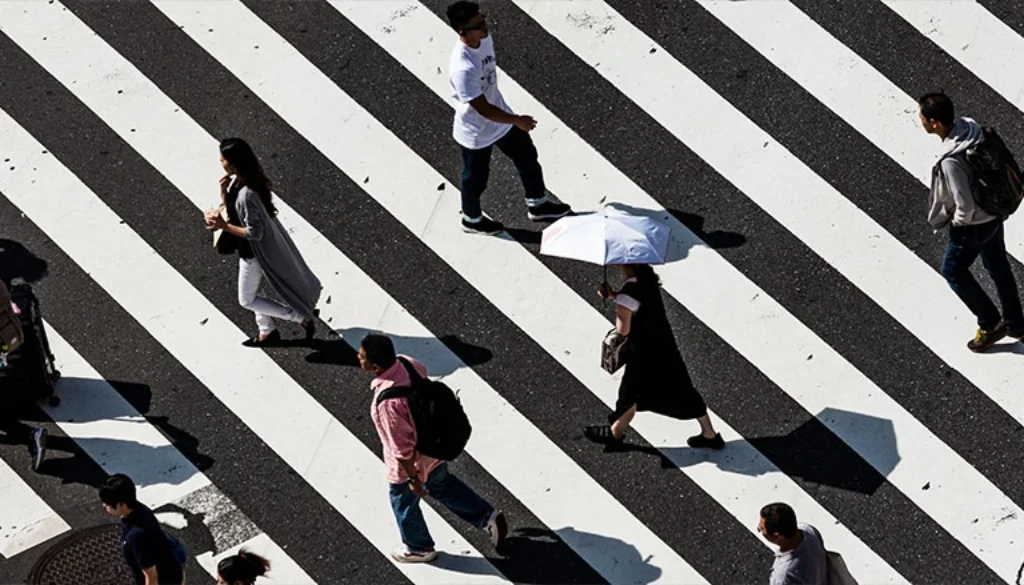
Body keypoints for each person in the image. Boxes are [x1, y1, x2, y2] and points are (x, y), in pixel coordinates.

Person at [358, 333, 507, 563]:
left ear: (375, 366)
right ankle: (486, 517)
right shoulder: (407, 362)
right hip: (433, 444)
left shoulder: (389, 403)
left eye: (363, 355)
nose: (359, 357)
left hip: (412, 462)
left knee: (402, 501)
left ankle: (419, 547)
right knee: (442, 485)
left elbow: (402, 449)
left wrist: (412, 480)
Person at [445, 1, 572, 235]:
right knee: (475, 179)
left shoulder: (484, 40)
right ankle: (471, 219)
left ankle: (538, 204)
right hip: (477, 131)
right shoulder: (462, 68)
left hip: (500, 117)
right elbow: (482, 109)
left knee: (526, 155)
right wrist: (516, 120)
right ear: (462, 31)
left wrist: (511, 119)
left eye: (483, 20)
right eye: (478, 25)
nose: (485, 27)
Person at [919, 92, 1024, 351]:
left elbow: (963, 204)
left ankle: (990, 323)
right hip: (995, 212)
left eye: (922, 116)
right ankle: (1016, 323)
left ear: (934, 123)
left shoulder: (951, 161)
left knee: (952, 270)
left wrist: (957, 224)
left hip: (975, 225)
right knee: (998, 267)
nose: (919, 120)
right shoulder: (971, 130)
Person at [584, 264, 724, 449]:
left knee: (630, 394)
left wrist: (619, 306)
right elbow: (636, 302)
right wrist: (615, 296)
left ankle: (615, 434)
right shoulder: (647, 280)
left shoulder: (629, 293)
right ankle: (709, 433)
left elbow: (623, 330)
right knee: (683, 389)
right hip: (663, 345)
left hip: (643, 354)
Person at [204, 138, 322, 347]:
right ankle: (266, 331)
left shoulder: (246, 193)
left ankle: (299, 317)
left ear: (233, 163)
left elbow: (254, 232)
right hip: (250, 251)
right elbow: (236, 211)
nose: (220, 163)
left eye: (222, 160)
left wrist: (223, 226)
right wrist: (223, 195)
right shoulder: (242, 180)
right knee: (255, 291)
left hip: (254, 254)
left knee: (247, 300)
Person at [99, 474, 184, 585]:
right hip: (173, 572)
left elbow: (151, 576)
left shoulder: (136, 536)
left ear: (121, 505)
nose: (104, 506)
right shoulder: (141, 509)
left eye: (107, 503)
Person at [758, 503, 827, 585]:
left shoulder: (783, 575)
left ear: (776, 536)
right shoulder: (809, 530)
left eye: (762, 529)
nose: (760, 530)